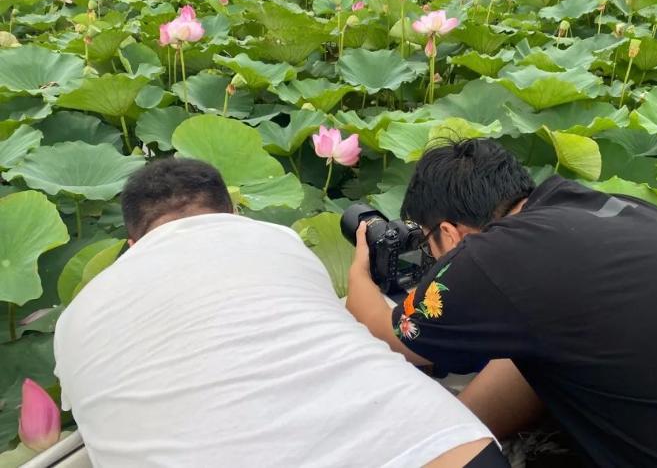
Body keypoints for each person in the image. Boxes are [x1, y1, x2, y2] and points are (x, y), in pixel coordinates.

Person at [54, 158, 506, 468]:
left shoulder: (72, 319)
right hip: (438, 449)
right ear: (232, 212)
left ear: (133, 243)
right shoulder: (274, 238)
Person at [346, 138, 657, 467]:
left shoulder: (490, 254)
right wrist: (458, 426)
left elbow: (390, 332)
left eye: (428, 245)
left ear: (450, 235)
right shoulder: (588, 205)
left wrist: (361, 268)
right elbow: (538, 351)